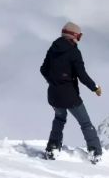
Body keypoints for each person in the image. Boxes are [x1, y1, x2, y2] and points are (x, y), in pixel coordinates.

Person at [39, 21, 104, 162]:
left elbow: (43, 69)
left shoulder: (53, 48)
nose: (78, 40)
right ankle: (95, 152)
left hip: (54, 95)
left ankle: (52, 148)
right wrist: (95, 88)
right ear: (72, 36)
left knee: (59, 119)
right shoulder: (74, 52)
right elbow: (82, 75)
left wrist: (53, 81)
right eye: (78, 37)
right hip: (70, 96)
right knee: (85, 123)